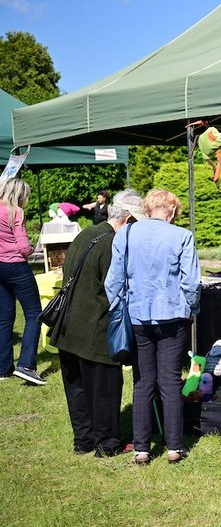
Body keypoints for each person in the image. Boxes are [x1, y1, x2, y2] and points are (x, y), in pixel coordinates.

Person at [105, 189, 200, 465]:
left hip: (137, 316)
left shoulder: (126, 234)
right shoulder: (182, 236)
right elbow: (191, 283)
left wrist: (119, 307)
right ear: (171, 213)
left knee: (143, 381)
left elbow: (114, 281)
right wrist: (192, 308)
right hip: (173, 316)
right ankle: (174, 447)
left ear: (147, 209)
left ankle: (142, 448)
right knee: (170, 381)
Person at [51, 189, 145, 456]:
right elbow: (117, 289)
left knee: (77, 389)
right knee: (104, 390)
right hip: (95, 327)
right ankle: (107, 444)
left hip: (69, 326)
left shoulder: (87, 233)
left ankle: (83, 441)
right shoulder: (111, 243)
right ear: (128, 220)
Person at [0, 178, 44, 385]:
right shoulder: (15, 211)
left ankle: (3, 367)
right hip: (16, 265)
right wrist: (32, 249)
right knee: (34, 314)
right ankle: (26, 366)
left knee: (4, 318)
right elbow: (23, 244)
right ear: (19, 194)